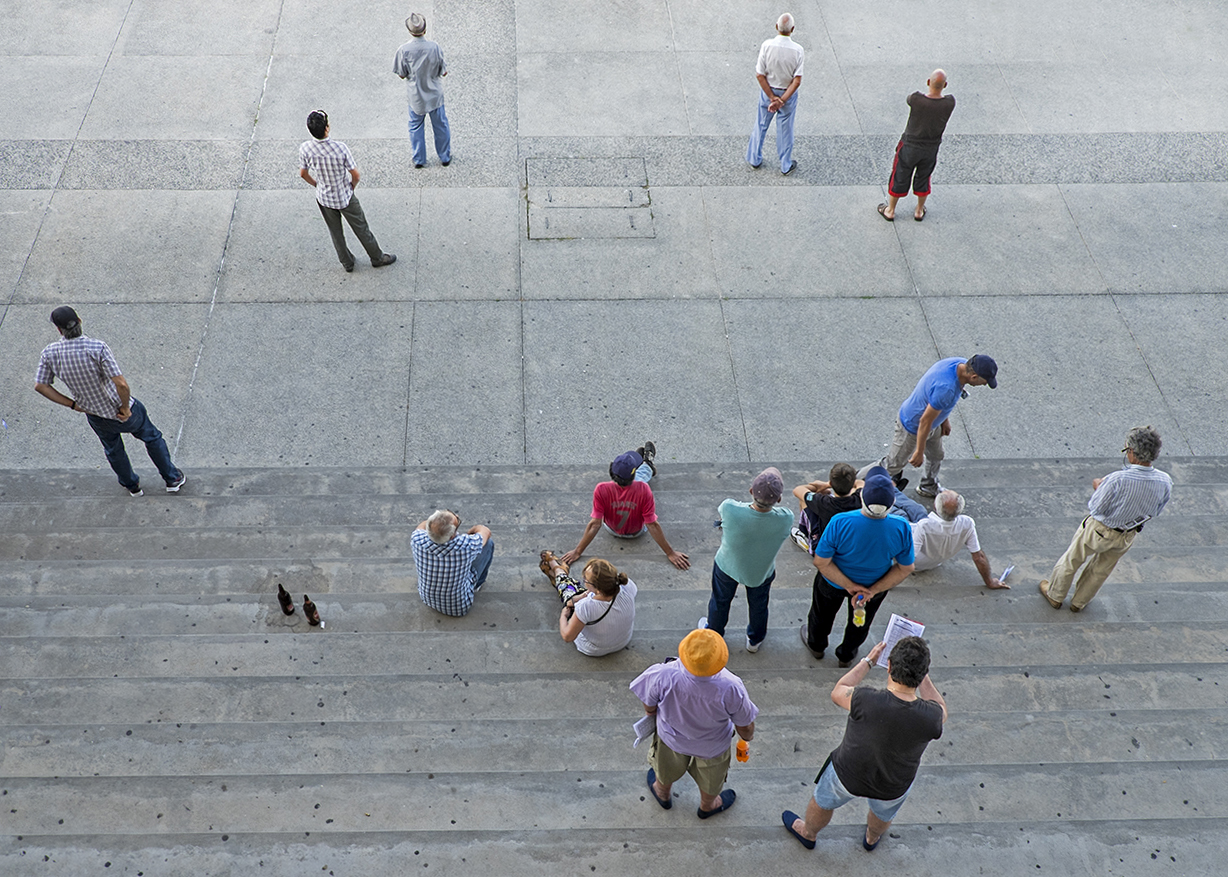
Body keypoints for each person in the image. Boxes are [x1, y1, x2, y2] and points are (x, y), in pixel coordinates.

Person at [782, 636, 946, 852]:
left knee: (822, 802)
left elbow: (839, 690)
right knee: (883, 814)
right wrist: (921, 674)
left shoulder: (865, 699)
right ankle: (872, 837)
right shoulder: (931, 716)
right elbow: (941, 707)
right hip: (894, 783)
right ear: (923, 674)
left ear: (889, 666)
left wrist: (868, 661)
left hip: (847, 773)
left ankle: (809, 833)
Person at [34, 306, 185, 497]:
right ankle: (172, 478)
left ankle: (132, 485)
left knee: (113, 449)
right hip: (120, 409)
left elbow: (41, 386)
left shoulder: (49, 353)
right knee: (152, 437)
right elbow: (121, 384)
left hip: (95, 414)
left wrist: (72, 404)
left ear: (59, 329)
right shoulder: (97, 348)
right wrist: (125, 408)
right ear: (79, 321)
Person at [1039, 427, 1172, 612]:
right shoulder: (1165, 481)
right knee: (1101, 570)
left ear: (1132, 452)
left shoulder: (1117, 479)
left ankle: (1055, 595)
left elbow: (1096, 508)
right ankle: (1079, 602)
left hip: (1099, 530)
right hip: (1128, 534)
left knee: (1072, 560)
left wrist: (1098, 486)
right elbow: (1156, 511)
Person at [630, 629, 758, 819]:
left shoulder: (663, 673)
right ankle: (708, 806)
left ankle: (662, 793)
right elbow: (745, 726)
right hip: (712, 747)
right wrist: (747, 737)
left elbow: (649, 703)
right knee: (711, 779)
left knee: (665, 768)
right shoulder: (731, 687)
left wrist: (651, 714)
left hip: (671, 739)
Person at [803, 467, 914, 666]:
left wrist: (849, 586)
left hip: (833, 583)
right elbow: (905, 568)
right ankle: (846, 655)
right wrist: (871, 591)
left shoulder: (840, 521)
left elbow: (821, 561)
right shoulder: (901, 526)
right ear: (892, 503)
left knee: (821, 616)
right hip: (874, 587)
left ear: (862, 497)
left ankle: (817, 646)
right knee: (860, 623)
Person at [867, 354, 998, 498]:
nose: (984, 385)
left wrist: (944, 420)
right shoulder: (946, 389)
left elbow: (936, 403)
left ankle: (928, 486)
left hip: (932, 423)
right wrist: (919, 451)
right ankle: (855, 483)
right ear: (973, 376)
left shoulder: (959, 363)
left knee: (936, 455)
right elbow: (924, 421)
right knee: (893, 465)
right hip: (913, 426)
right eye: (985, 382)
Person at [699, 468, 793, 653]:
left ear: (751, 491)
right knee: (759, 606)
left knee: (720, 601)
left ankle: (714, 634)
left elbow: (732, 512)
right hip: (760, 572)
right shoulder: (785, 518)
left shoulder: (729, 508)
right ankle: (754, 640)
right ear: (779, 499)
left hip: (727, 566)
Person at [561, 443, 689, 570]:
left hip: (611, 529)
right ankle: (647, 465)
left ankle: (640, 466)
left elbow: (594, 524)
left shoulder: (601, 489)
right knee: (640, 480)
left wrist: (577, 551)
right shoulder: (644, 489)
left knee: (636, 481)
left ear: (611, 472)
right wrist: (670, 553)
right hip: (637, 532)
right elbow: (652, 525)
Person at [299, 109, 397, 273]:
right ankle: (377, 257)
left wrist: (317, 184)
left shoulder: (305, 148)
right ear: (327, 128)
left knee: (335, 233)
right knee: (361, 228)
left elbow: (303, 173)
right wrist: (352, 186)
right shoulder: (340, 148)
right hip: (344, 196)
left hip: (324, 198)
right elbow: (355, 175)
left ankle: (347, 262)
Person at [791, 464, 929, 554]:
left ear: (832, 482)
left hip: (826, 547)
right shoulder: (859, 498)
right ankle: (893, 486)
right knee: (824, 494)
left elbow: (798, 490)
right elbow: (860, 483)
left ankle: (807, 538)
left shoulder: (823, 503)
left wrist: (825, 485)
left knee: (806, 500)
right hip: (852, 544)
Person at [877, 69, 955, 222]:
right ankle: (919, 210)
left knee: (899, 174)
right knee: (924, 177)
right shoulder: (949, 103)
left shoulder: (916, 99)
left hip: (909, 146)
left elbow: (910, 99)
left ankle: (890, 210)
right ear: (945, 85)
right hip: (931, 148)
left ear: (928, 82)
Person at [539, 551, 637, 656]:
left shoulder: (586, 606)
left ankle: (559, 572)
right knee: (578, 595)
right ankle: (559, 574)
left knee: (568, 595)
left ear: (598, 590)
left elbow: (567, 636)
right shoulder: (626, 585)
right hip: (623, 641)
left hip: (594, 648)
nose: (584, 579)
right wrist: (585, 595)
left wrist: (563, 616)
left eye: (585, 579)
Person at [912, 490, 1008, 589]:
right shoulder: (967, 523)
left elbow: (910, 556)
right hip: (935, 562)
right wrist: (990, 582)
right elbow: (979, 557)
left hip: (917, 562)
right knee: (916, 508)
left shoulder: (924, 525)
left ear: (935, 507)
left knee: (903, 510)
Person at [746, 13, 803, 175]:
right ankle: (785, 164)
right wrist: (782, 100)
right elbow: (797, 80)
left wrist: (772, 98)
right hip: (787, 94)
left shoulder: (766, 46)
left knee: (761, 124)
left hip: (768, 91)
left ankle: (754, 158)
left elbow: (759, 74)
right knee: (785, 129)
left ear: (776, 26)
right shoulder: (798, 50)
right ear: (792, 29)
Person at [393, 13, 451, 168]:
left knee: (415, 126)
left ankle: (419, 159)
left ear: (410, 31)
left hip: (416, 96)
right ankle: (445, 157)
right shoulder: (434, 47)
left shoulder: (403, 50)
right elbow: (444, 71)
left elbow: (401, 74)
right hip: (434, 95)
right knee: (441, 125)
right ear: (425, 30)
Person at [411, 509, 493, 616]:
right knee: (488, 544)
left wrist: (438, 523)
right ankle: (477, 585)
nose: (457, 516)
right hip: (459, 607)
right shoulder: (466, 546)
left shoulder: (417, 539)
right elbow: (485, 531)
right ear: (452, 536)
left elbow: (422, 525)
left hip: (427, 599)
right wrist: (471, 532)